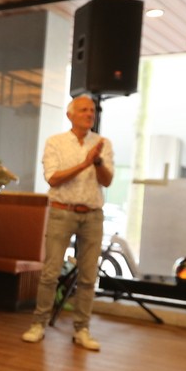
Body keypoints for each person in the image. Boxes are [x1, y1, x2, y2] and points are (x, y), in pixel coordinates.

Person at [22, 94, 113, 350]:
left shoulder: (103, 143)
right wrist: (85, 163)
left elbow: (107, 181)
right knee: (50, 273)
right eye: (83, 110)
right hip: (62, 212)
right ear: (70, 114)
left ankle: (82, 330)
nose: (89, 114)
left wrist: (97, 162)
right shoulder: (56, 142)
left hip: (93, 214)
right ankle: (38, 324)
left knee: (88, 276)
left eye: (92, 110)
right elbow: (53, 178)